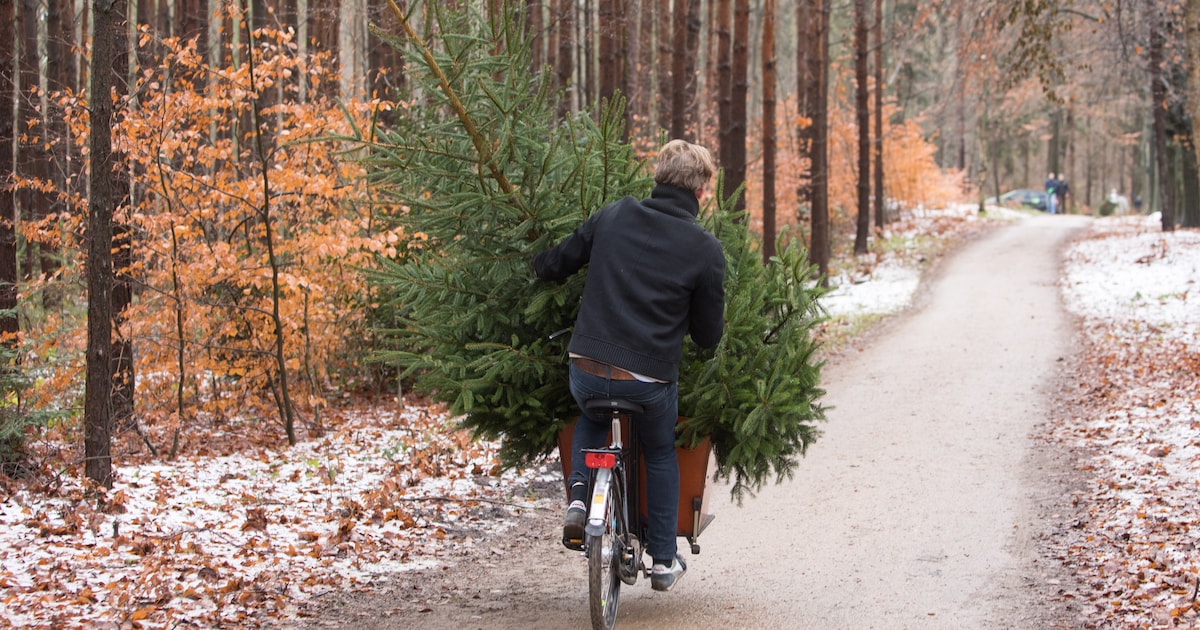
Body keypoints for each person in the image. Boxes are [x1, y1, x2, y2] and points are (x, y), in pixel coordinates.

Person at [531, 139, 726, 592]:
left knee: (592, 415)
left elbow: (558, 261)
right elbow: (707, 335)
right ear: (700, 191)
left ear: (657, 177)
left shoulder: (615, 214)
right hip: (648, 380)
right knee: (658, 451)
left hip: (586, 365)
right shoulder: (704, 248)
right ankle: (663, 560)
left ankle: (579, 500)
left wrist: (535, 264)